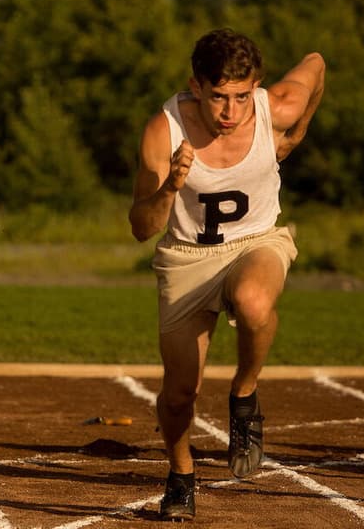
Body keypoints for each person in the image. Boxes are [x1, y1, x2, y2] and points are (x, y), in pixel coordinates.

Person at [129, 28, 325, 521]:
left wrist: (297, 134)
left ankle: (244, 393)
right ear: (196, 86)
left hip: (256, 242)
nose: (230, 112)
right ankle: (180, 476)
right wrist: (171, 186)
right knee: (179, 394)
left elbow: (316, 63)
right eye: (218, 97)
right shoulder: (164, 130)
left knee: (255, 301)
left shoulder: (276, 108)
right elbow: (140, 227)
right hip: (187, 257)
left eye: (241, 97)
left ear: (255, 86)